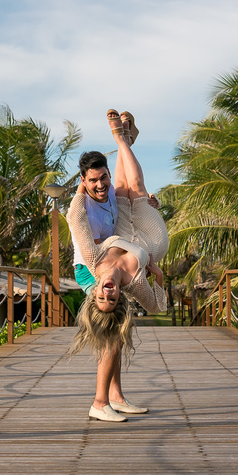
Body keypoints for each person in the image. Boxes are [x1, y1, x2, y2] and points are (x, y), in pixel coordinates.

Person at [67, 110, 168, 423]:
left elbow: (127, 183)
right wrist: (158, 279)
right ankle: (100, 401)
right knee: (111, 329)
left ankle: (115, 396)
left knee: (118, 328)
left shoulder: (108, 189)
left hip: (118, 249)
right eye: (92, 181)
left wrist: (153, 202)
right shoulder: (87, 213)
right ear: (83, 182)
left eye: (102, 178)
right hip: (87, 268)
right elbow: (75, 220)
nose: (99, 185)